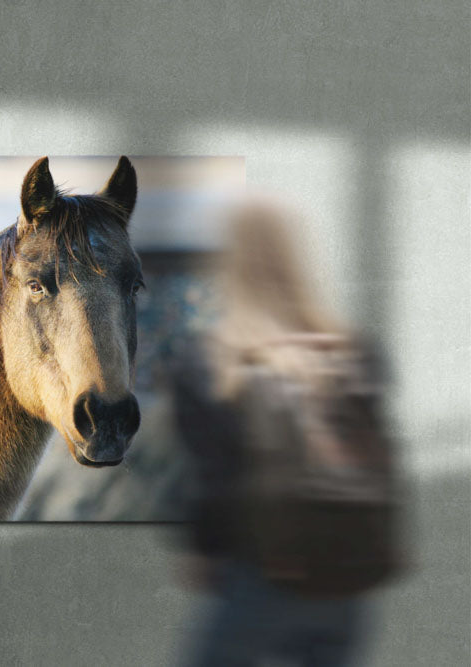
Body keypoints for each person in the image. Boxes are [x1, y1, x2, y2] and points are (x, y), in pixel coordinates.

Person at [172, 196, 387, 666]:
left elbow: (215, 482)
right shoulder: (353, 352)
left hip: (259, 573)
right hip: (346, 580)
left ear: (229, 261)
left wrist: (202, 551)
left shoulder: (214, 359)